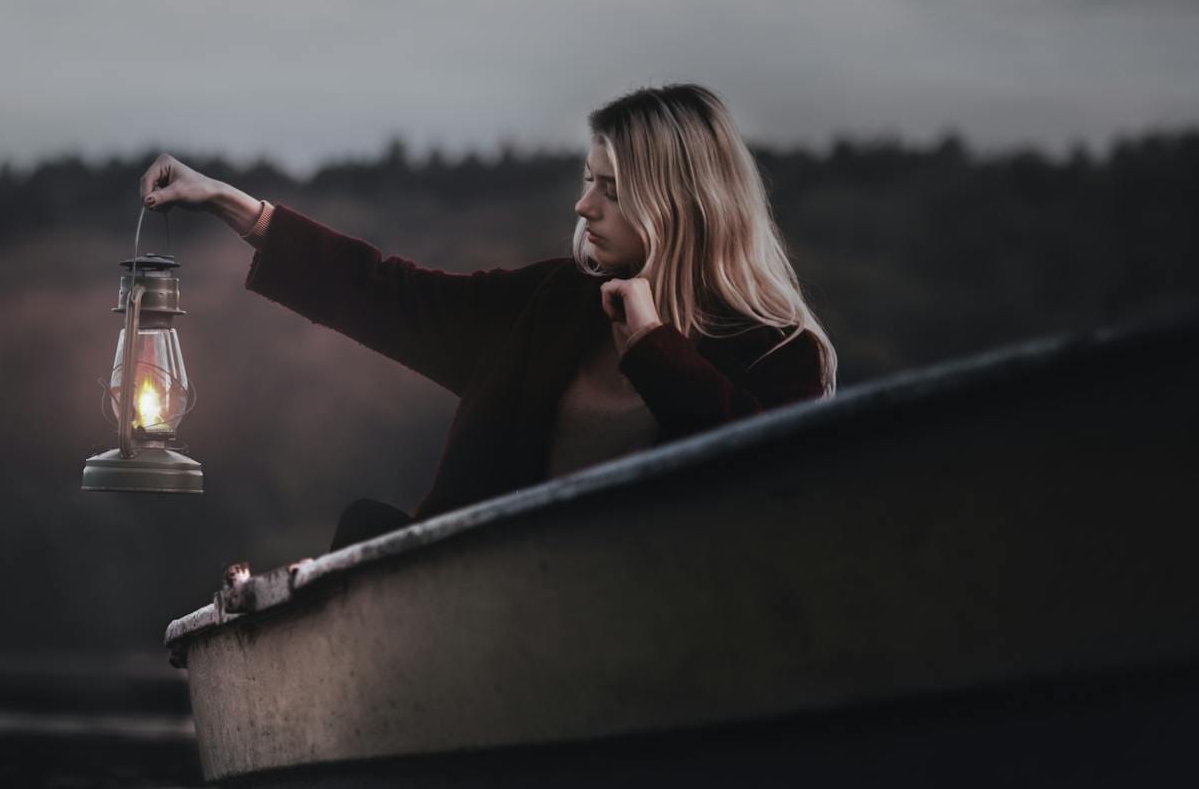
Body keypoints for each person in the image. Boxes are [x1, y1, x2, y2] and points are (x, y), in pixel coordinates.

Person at [139, 82, 837, 552]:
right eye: (587, 179)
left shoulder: (784, 355)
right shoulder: (551, 305)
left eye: (612, 189)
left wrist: (655, 347)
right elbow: (387, 292)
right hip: (481, 628)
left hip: (658, 640)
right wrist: (234, 206)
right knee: (366, 530)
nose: (583, 206)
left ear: (680, 205)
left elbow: (772, 486)